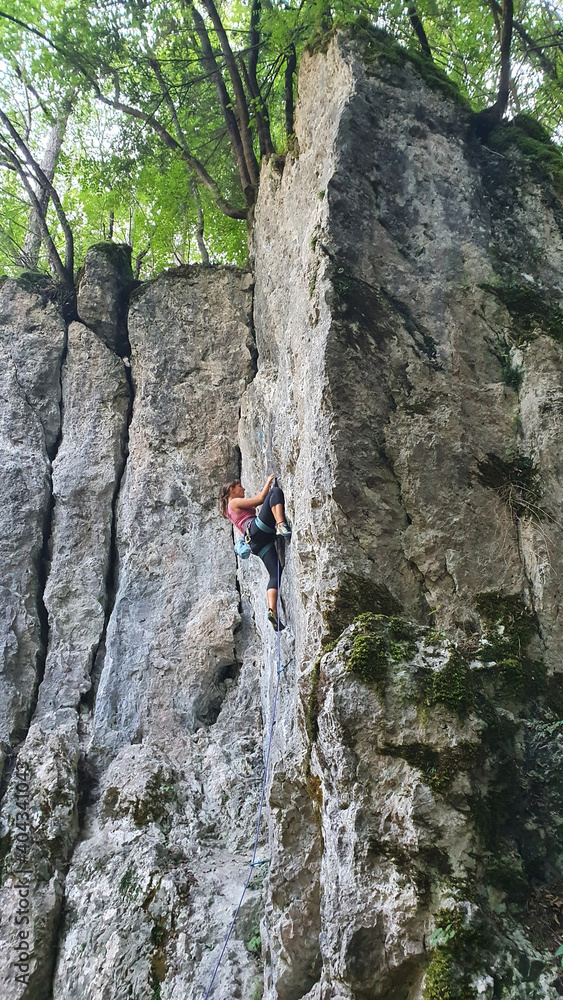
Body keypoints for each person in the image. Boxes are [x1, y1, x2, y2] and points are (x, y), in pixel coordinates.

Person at [219, 474, 291, 631]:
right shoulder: (234, 502)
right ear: (232, 490)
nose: (243, 488)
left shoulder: (230, 509)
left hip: (257, 543)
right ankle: (281, 524)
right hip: (257, 530)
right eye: (240, 487)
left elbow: (259, 503)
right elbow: (260, 499)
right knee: (275, 493)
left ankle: (272, 611)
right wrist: (267, 483)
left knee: (275, 574)